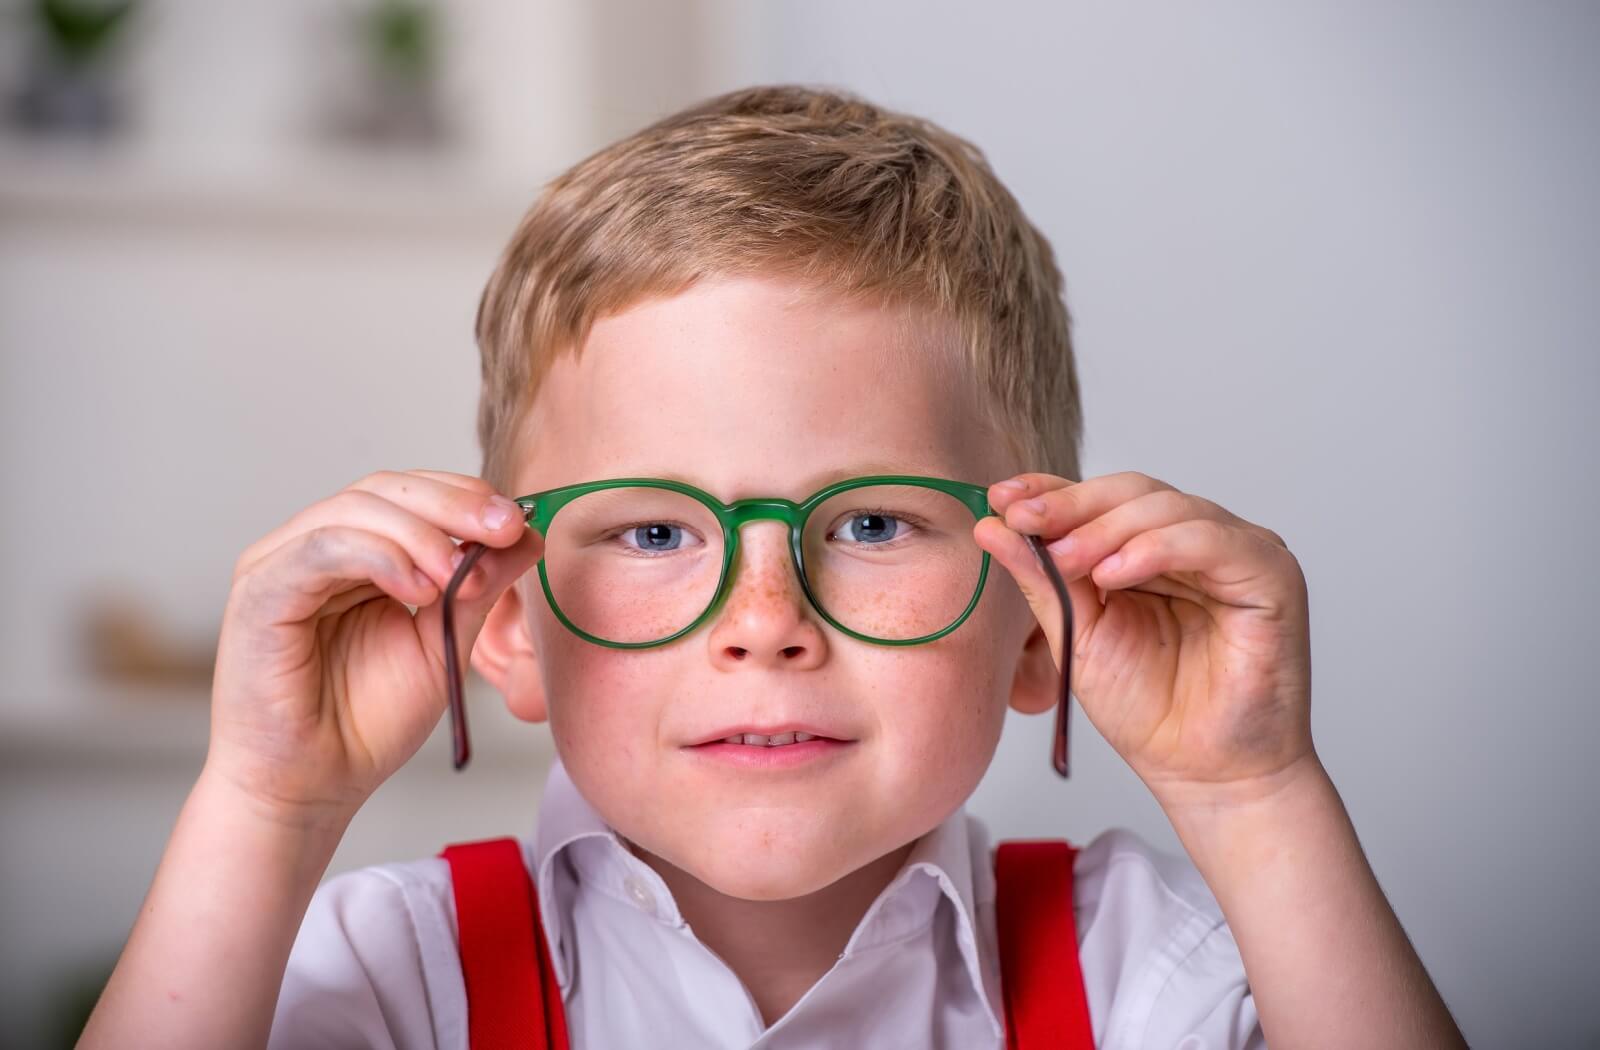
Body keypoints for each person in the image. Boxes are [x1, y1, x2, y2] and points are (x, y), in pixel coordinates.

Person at [79, 84, 1466, 1049]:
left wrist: (1255, 790)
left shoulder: (1136, 969)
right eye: (652, 530)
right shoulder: (398, 974)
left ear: (1041, 621)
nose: (765, 623)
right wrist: (263, 804)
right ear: (501, 621)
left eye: (869, 524)